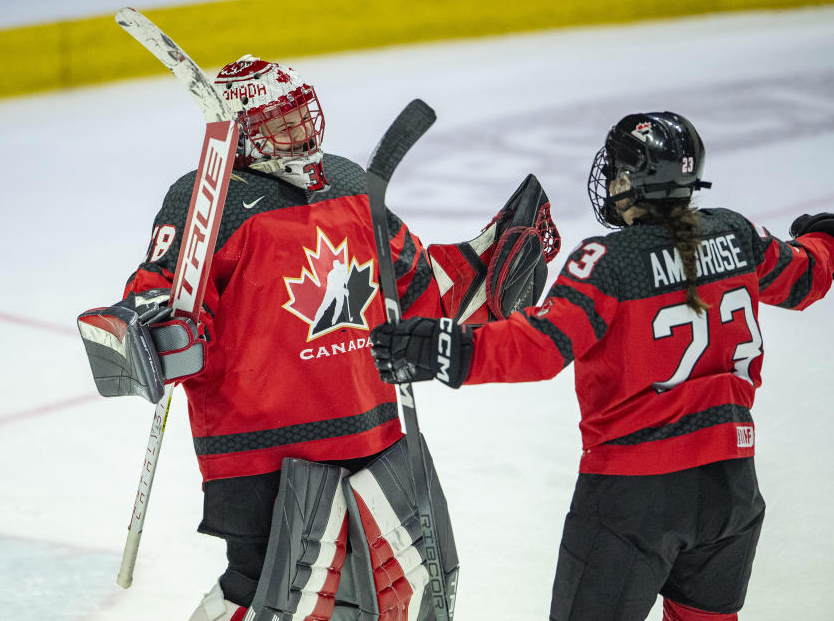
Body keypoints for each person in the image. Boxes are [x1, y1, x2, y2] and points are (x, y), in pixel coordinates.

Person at [77, 54, 559, 621]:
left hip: (368, 430)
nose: (300, 133)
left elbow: (415, 289)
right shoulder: (207, 200)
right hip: (260, 449)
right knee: (265, 593)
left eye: (301, 116)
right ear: (241, 134)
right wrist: (149, 331)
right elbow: (157, 294)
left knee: (395, 591)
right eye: (280, 125)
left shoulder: (350, 182)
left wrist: (487, 266)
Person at [369, 111, 834, 621]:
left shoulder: (607, 262)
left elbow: (540, 345)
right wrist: (830, 240)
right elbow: (807, 274)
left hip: (632, 499)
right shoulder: (736, 236)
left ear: (629, 180)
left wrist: (443, 347)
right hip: (729, 490)